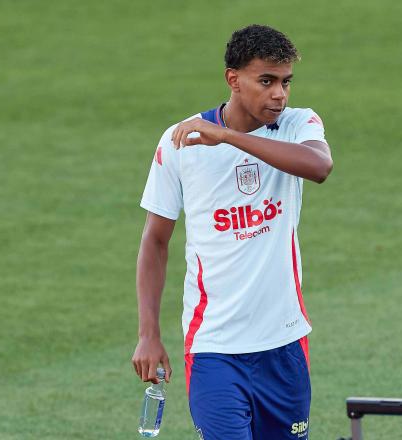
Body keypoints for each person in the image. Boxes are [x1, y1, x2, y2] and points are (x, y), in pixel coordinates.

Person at [132, 24, 333, 439]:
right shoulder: (179, 143)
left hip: (285, 343)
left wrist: (228, 138)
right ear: (233, 79)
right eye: (266, 81)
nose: (279, 93)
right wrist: (148, 334)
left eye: (285, 82)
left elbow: (319, 167)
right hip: (214, 348)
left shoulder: (297, 125)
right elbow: (155, 241)